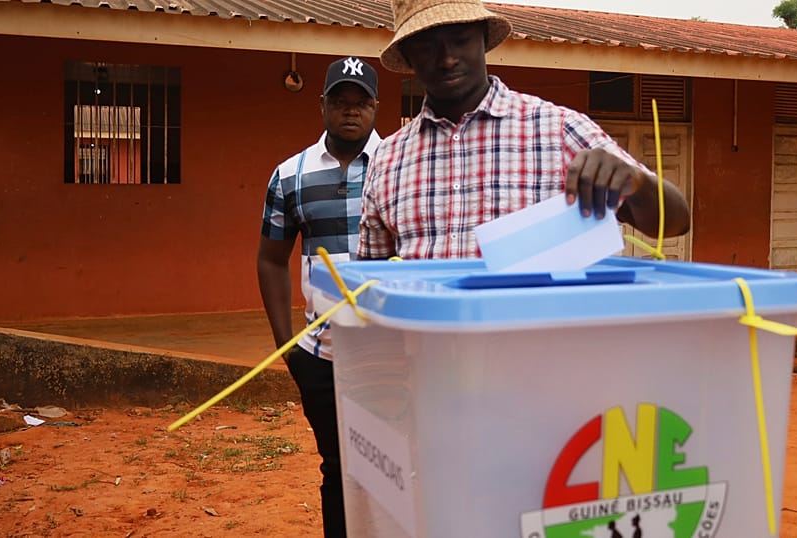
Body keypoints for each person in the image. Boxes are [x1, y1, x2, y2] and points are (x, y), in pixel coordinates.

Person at [359, 0, 690, 261]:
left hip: (539, 345)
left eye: (461, 41)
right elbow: (371, 282)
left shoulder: (560, 130)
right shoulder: (388, 159)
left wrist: (638, 181)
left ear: (484, 40)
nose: (447, 59)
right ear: (407, 56)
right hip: (426, 346)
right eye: (428, 47)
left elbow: (676, 221)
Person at [257, 56, 380, 538]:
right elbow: (271, 258)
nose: (351, 112)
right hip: (322, 355)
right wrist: (287, 345)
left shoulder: (399, 167)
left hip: (390, 353)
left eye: (361, 103)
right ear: (322, 105)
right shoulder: (290, 175)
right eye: (340, 102)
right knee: (337, 469)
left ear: (375, 108)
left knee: (393, 466)